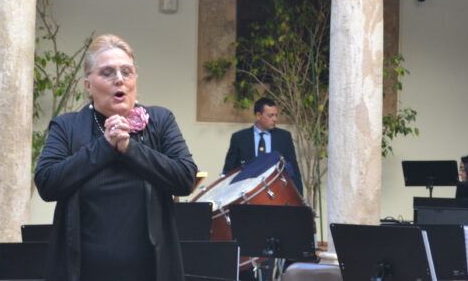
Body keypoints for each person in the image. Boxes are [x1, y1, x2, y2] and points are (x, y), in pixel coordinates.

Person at [35, 34, 198, 281]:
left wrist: (129, 149)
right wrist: (105, 146)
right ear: (88, 84)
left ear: (135, 80)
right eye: (108, 72)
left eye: (126, 72)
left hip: (150, 271)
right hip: (83, 272)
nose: (119, 79)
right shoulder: (67, 126)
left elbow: (185, 178)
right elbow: (47, 183)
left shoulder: (160, 121)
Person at [222, 97, 303, 195]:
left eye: (276, 115)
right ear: (258, 115)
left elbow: (293, 167)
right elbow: (229, 171)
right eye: (270, 116)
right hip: (247, 194)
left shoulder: (284, 137)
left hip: (277, 193)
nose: (275, 119)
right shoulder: (239, 138)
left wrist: (298, 196)